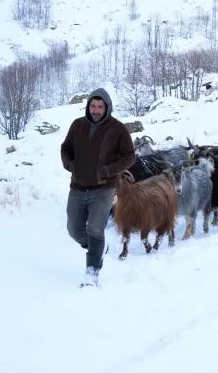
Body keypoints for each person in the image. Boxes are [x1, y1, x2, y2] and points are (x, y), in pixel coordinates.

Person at [60, 87, 135, 287]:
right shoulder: (77, 126)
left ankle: (92, 274)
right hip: (77, 187)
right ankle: (97, 248)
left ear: (107, 107)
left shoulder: (118, 129)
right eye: (93, 106)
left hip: (103, 189)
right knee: (73, 229)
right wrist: (70, 165)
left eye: (100, 106)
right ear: (88, 107)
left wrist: (110, 170)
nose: (96, 110)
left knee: (95, 229)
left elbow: (130, 156)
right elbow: (65, 148)